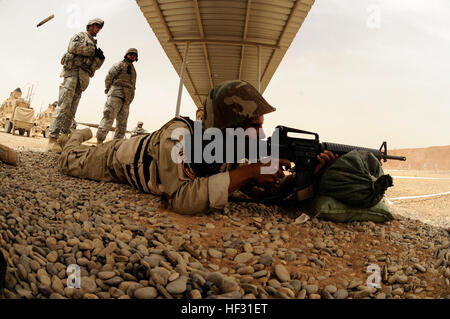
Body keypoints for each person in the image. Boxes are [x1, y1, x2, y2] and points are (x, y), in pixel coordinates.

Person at [57, 80, 336, 214]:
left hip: (138, 153)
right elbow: (181, 199)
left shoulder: (229, 148)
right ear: (229, 126)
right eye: (253, 126)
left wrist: (309, 177)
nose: (261, 134)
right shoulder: (178, 136)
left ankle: (76, 137)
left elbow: (268, 192)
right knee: (68, 160)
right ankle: (74, 137)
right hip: (115, 159)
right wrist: (251, 171)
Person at [48, 18, 106, 153]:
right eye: (96, 26)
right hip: (72, 73)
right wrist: (92, 51)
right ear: (90, 26)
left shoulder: (94, 44)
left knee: (71, 111)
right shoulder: (80, 36)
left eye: (99, 28)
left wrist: (99, 59)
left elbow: (93, 66)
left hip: (82, 79)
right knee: (63, 107)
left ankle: (62, 140)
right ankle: (52, 139)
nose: (97, 29)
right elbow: (72, 47)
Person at [95, 48, 138, 145]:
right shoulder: (119, 65)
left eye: (134, 55)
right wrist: (108, 89)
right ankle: (99, 141)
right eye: (130, 54)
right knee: (108, 117)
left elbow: (133, 85)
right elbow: (108, 77)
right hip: (116, 94)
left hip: (126, 99)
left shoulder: (134, 71)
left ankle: (116, 144)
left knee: (122, 123)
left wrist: (130, 97)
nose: (132, 56)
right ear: (126, 55)